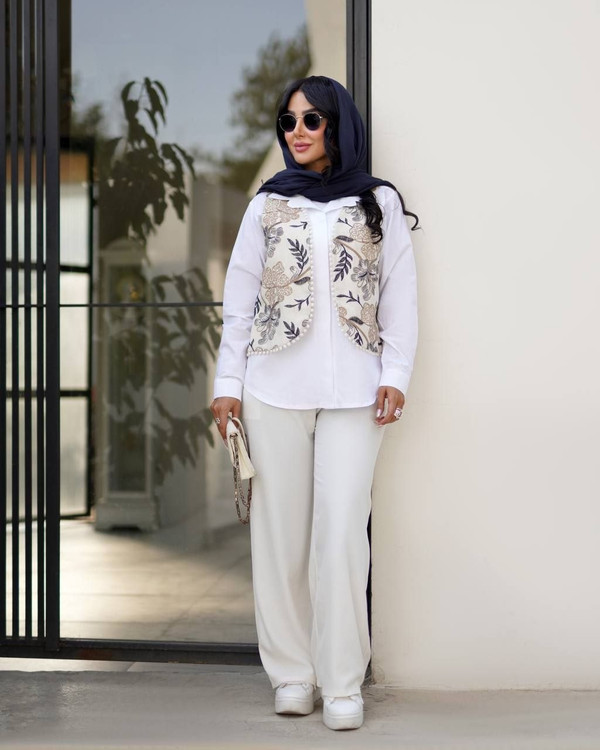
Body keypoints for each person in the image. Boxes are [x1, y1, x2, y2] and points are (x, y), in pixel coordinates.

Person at [210, 75, 418, 731]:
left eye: (311, 119)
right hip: (273, 387)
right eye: (288, 121)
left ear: (338, 124)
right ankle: (293, 675)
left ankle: (343, 680)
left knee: (342, 533)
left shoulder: (378, 201)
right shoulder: (267, 203)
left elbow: (400, 292)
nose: (297, 132)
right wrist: (227, 385)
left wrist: (397, 372)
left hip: (357, 391)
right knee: (280, 538)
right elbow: (239, 302)